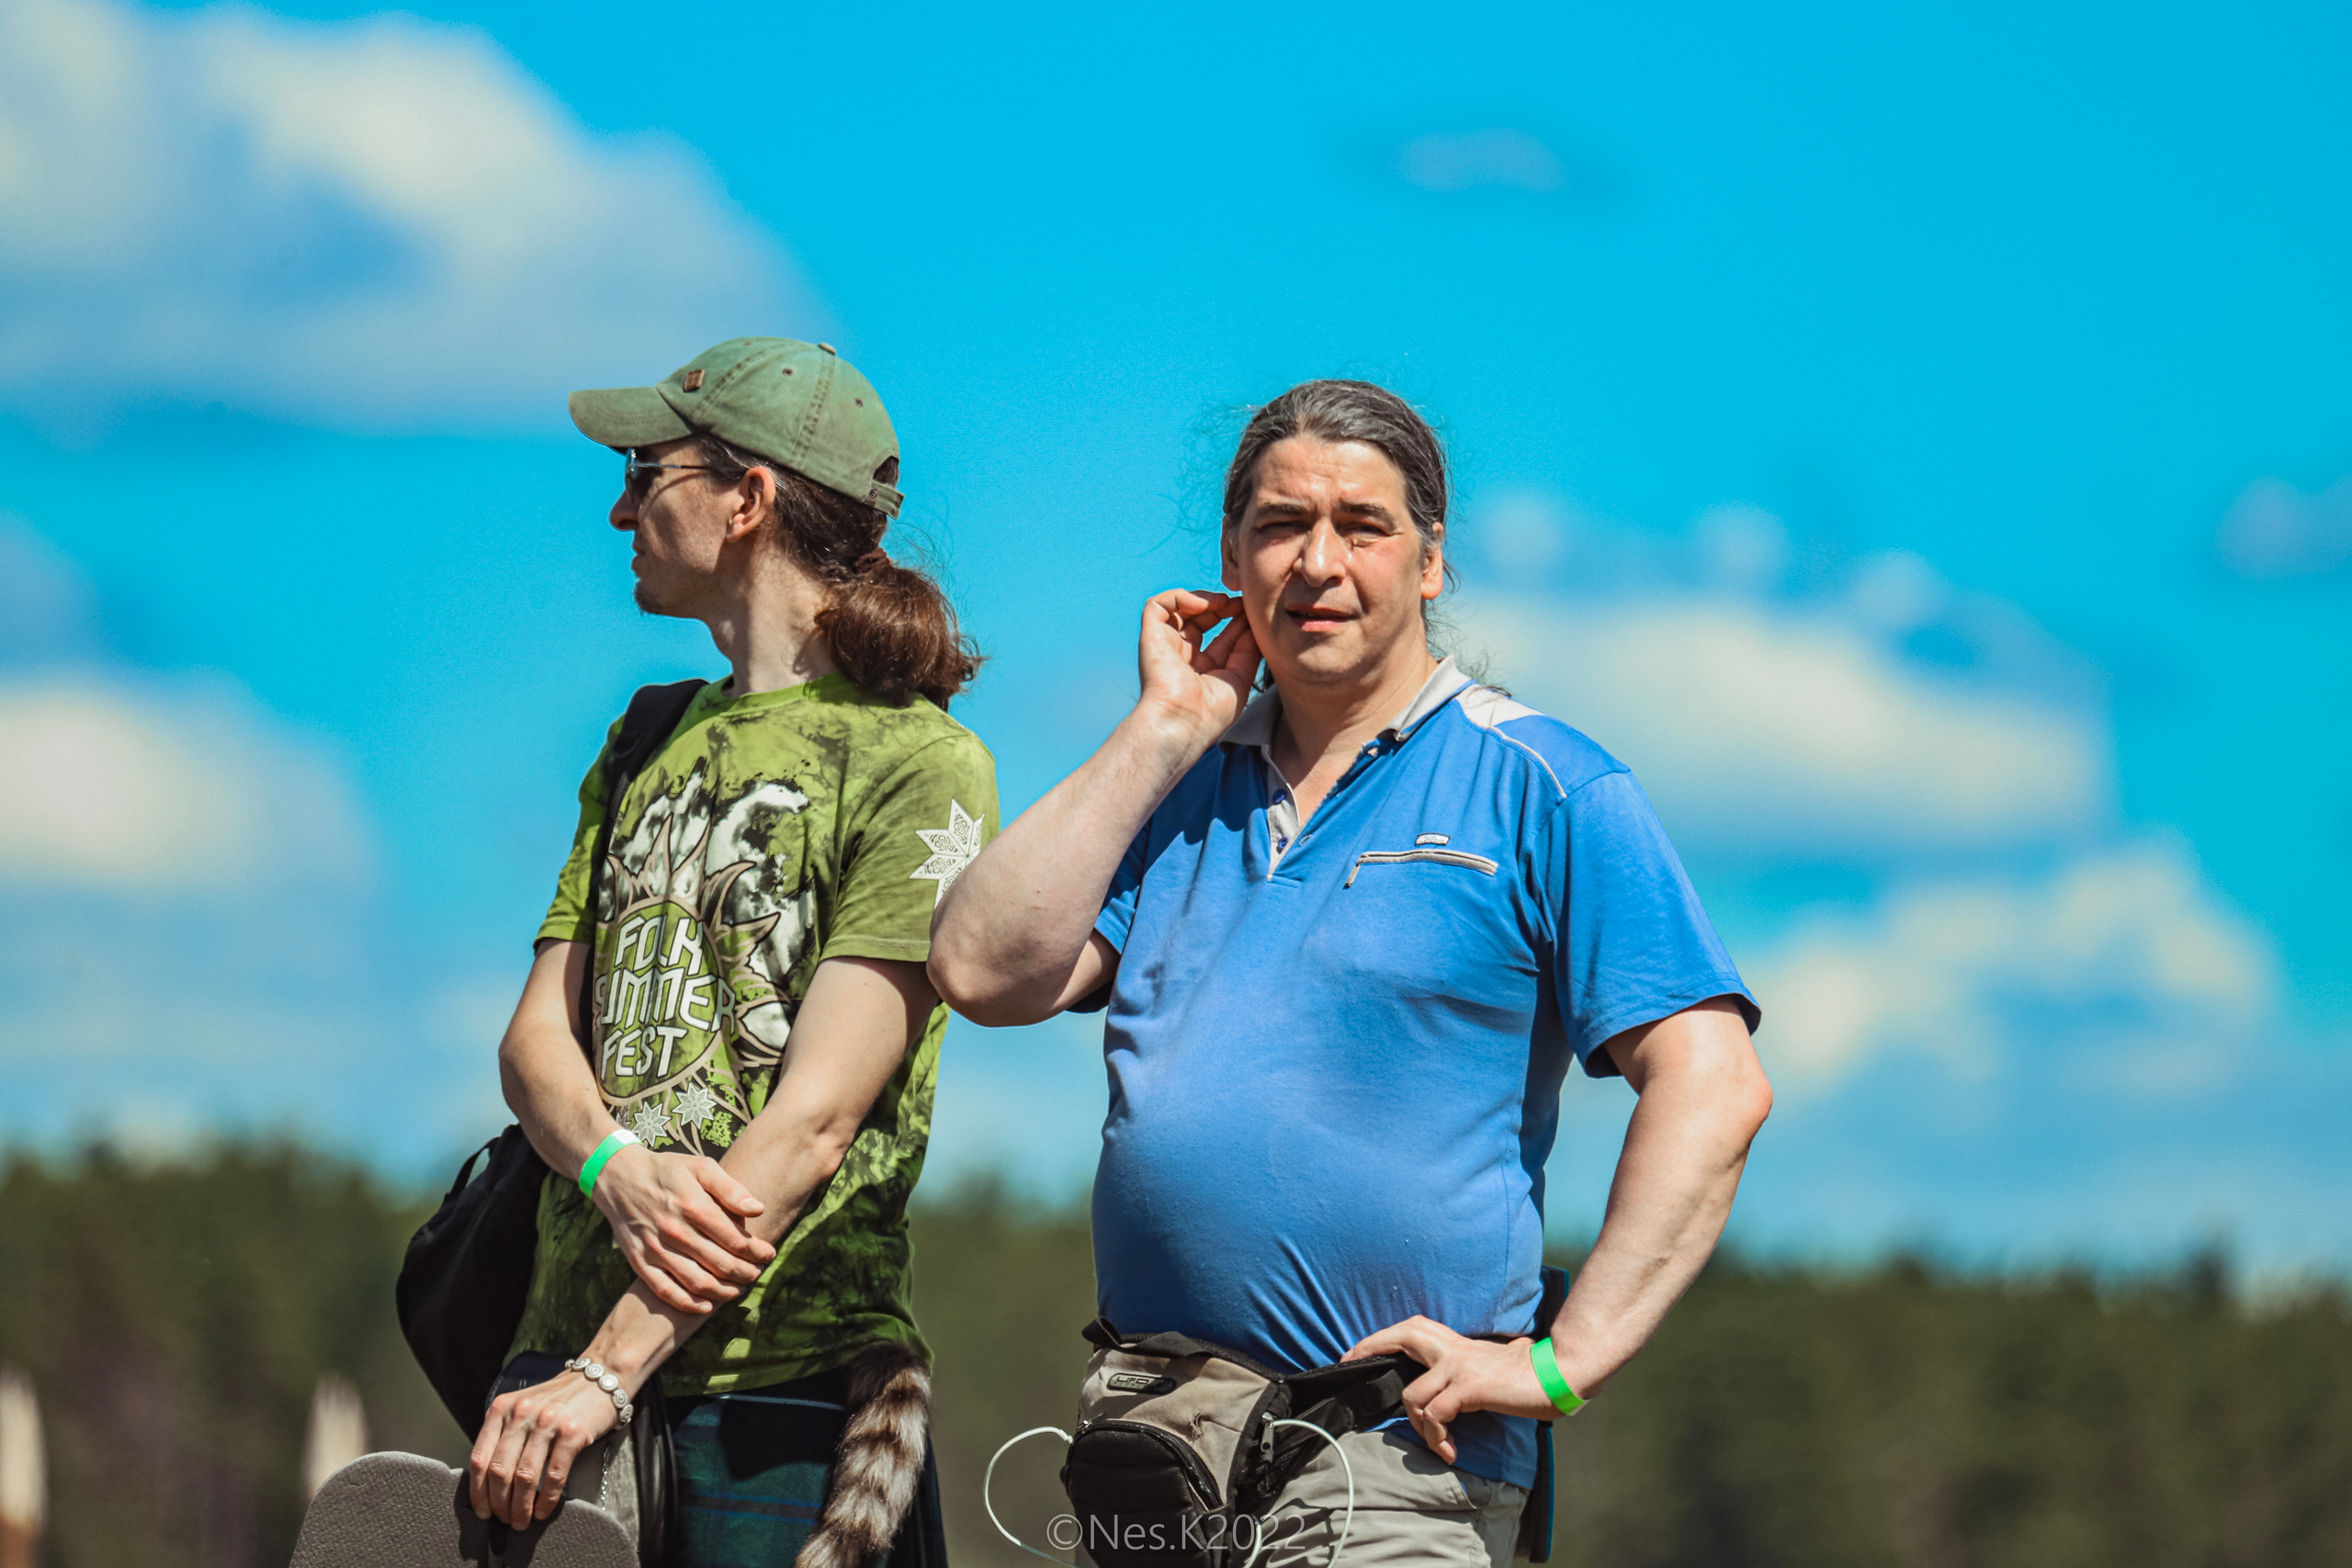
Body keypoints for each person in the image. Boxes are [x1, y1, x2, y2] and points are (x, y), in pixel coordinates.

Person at [929, 379, 1771, 1566]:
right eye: (1281, 526)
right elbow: (980, 969)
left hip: (1395, 1452)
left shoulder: (1541, 783)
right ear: (1231, 556)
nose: (1317, 561)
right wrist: (1163, 727)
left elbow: (1715, 1083)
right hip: (1154, 1438)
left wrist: (1561, 1363)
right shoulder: (1175, 787)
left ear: (1431, 561)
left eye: (1361, 526)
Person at [467, 337, 996, 1568]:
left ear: (746, 497)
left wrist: (607, 1372)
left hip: (787, 1395)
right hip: (563, 1378)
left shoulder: (919, 763)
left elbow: (814, 1121)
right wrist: (613, 1168)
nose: (620, 508)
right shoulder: (645, 733)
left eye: (647, 472)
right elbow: (535, 1039)